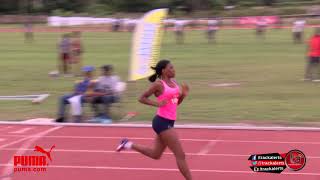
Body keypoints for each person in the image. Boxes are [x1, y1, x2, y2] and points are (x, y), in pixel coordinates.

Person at [116, 60, 192, 180]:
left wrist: (183, 95)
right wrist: (157, 104)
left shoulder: (175, 83)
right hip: (162, 122)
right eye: (171, 68)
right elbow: (141, 98)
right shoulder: (158, 85)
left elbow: (175, 103)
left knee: (155, 154)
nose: (174, 70)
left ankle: (127, 144)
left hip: (169, 121)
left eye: (174, 68)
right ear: (163, 70)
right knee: (180, 154)